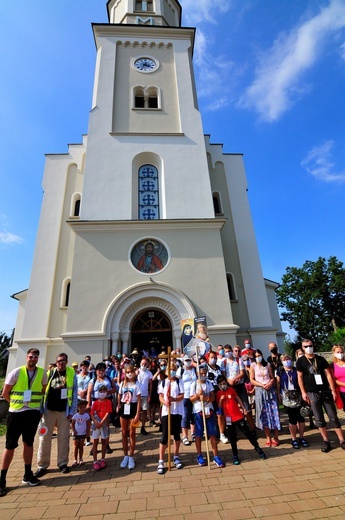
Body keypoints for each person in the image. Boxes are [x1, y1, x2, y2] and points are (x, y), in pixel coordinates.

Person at [0, 348, 47, 497]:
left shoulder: (42, 373)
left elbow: (43, 391)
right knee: (10, 446)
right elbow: (5, 393)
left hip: (32, 413)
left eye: (35, 357)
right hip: (16, 414)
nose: (33, 359)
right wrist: (15, 404)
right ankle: (2, 480)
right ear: (26, 357)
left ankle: (28, 474)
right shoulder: (16, 372)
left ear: (38, 358)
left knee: (29, 443)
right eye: (31, 356)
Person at [296, 338, 345, 452]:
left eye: (310, 345)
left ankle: (342, 440)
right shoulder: (301, 361)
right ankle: (326, 440)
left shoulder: (320, 359)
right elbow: (300, 377)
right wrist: (303, 392)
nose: (309, 348)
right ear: (302, 348)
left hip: (325, 391)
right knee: (319, 418)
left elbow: (328, 375)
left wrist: (332, 389)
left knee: (333, 416)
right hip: (312, 392)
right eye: (306, 346)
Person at [35, 352, 78, 477]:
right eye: (59, 361)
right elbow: (43, 392)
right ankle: (42, 465)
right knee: (44, 438)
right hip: (48, 410)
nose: (61, 363)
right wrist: (40, 409)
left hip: (64, 411)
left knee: (64, 438)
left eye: (63, 361)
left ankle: (62, 463)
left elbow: (74, 393)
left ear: (67, 361)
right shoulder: (49, 373)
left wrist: (72, 411)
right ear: (56, 361)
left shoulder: (71, 373)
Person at [216, 375, 266, 464]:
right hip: (228, 419)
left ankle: (258, 449)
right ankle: (235, 455)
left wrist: (243, 408)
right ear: (218, 385)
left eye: (224, 383)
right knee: (232, 437)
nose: (223, 385)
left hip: (238, 416)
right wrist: (220, 400)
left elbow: (238, 398)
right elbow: (219, 407)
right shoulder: (219, 394)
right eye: (221, 384)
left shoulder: (231, 390)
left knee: (247, 433)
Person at [190, 366, 225, 468]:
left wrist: (206, 398)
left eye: (205, 373)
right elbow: (191, 399)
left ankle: (216, 456)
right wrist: (197, 396)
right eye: (201, 373)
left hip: (209, 410)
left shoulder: (209, 384)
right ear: (197, 373)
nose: (203, 375)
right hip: (198, 411)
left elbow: (213, 397)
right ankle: (199, 455)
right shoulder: (194, 384)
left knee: (213, 433)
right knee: (199, 434)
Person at [157, 362, 184, 474]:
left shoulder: (178, 381)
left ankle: (176, 456)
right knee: (165, 435)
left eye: (174, 369)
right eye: (170, 369)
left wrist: (174, 399)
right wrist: (165, 401)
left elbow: (182, 395)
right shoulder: (163, 382)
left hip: (176, 410)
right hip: (166, 412)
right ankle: (161, 460)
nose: (172, 371)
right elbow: (161, 396)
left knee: (176, 434)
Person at [276, 354, 308, 449]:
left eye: (288, 359)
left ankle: (301, 437)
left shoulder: (296, 369)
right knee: (292, 418)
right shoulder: (280, 371)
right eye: (285, 360)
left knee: (301, 417)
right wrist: (278, 394)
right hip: (287, 396)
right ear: (282, 361)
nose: (287, 361)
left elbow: (301, 380)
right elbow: (277, 383)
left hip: (297, 395)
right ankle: (293, 438)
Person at [250, 349, 280, 447]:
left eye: (259, 355)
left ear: (262, 355)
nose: (258, 357)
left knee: (273, 413)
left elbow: (272, 377)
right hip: (260, 391)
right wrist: (261, 385)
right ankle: (268, 437)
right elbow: (252, 379)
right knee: (264, 415)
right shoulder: (253, 365)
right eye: (256, 356)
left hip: (269, 391)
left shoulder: (267, 364)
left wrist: (270, 383)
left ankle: (276, 437)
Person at [87, 362, 116, 454]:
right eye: (99, 370)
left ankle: (106, 444)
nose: (101, 372)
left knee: (106, 425)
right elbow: (89, 393)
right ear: (96, 371)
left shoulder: (109, 379)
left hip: (107, 403)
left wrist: (108, 391)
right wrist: (88, 404)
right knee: (95, 425)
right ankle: (94, 446)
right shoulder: (93, 380)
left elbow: (115, 389)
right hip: (96, 404)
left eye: (103, 370)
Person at [226, 345, 256, 434]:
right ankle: (232, 431)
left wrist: (234, 380)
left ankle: (252, 429)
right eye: (226, 351)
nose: (228, 353)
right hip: (230, 387)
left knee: (246, 408)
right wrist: (229, 382)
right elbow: (224, 374)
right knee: (230, 409)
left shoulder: (238, 360)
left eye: (229, 351)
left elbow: (242, 373)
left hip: (240, 386)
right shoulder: (224, 362)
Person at [117, 364, 141, 470]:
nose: (129, 373)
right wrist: (118, 404)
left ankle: (131, 456)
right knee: (124, 432)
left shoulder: (137, 384)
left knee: (132, 433)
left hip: (133, 407)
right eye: (127, 372)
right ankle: (125, 455)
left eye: (131, 371)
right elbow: (119, 395)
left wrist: (137, 414)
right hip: (124, 407)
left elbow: (139, 400)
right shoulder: (122, 384)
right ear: (125, 373)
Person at [206, 351, 227, 443]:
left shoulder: (218, 368)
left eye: (215, 357)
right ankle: (211, 432)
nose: (213, 359)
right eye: (211, 357)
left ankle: (222, 434)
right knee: (210, 414)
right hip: (210, 393)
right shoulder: (205, 367)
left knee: (220, 413)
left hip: (219, 393)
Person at [90, 385, 112, 470]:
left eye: (104, 391)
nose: (102, 393)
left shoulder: (108, 402)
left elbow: (108, 413)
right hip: (96, 424)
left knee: (104, 442)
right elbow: (92, 413)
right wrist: (96, 422)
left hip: (104, 424)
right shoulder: (95, 402)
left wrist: (102, 422)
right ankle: (95, 461)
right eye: (101, 391)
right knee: (95, 443)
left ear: (106, 393)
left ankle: (103, 459)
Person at [177, 355, 197, 445]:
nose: (188, 361)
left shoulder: (194, 370)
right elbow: (177, 382)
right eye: (186, 360)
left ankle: (193, 433)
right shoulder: (181, 370)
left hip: (194, 396)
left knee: (194, 415)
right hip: (185, 396)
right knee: (185, 415)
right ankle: (185, 436)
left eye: (189, 360)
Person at [71, 400, 91, 466]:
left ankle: (81, 459)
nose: (82, 409)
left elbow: (88, 425)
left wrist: (87, 433)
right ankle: (75, 460)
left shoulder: (86, 416)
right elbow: (72, 424)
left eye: (83, 407)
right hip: (76, 433)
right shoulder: (76, 416)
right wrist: (74, 430)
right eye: (80, 408)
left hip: (83, 433)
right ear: (78, 408)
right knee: (76, 446)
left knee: (81, 446)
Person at [137, 357, 153, 435]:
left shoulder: (149, 373)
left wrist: (149, 394)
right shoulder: (136, 371)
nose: (143, 365)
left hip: (145, 395)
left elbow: (150, 384)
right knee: (136, 411)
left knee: (144, 411)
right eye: (142, 363)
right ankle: (133, 426)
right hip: (137, 395)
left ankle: (143, 427)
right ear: (140, 363)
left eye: (145, 364)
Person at [331, 344, 345, 412]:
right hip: (342, 392)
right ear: (334, 353)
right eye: (338, 352)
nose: (340, 354)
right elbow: (334, 380)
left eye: (341, 352)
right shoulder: (332, 366)